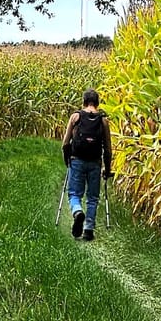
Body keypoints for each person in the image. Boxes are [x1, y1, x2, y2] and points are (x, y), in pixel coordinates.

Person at [61, 88, 112, 241]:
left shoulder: (75, 117)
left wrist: (67, 160)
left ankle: (77, 212)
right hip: (95, 162)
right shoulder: (103, 120)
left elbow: (65, 143)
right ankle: (88, 229)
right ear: (97, 103)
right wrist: (108, 169)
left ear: (83, 102)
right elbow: (108, 149)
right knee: (93, 197)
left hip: (77, 160)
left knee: (74, 194)